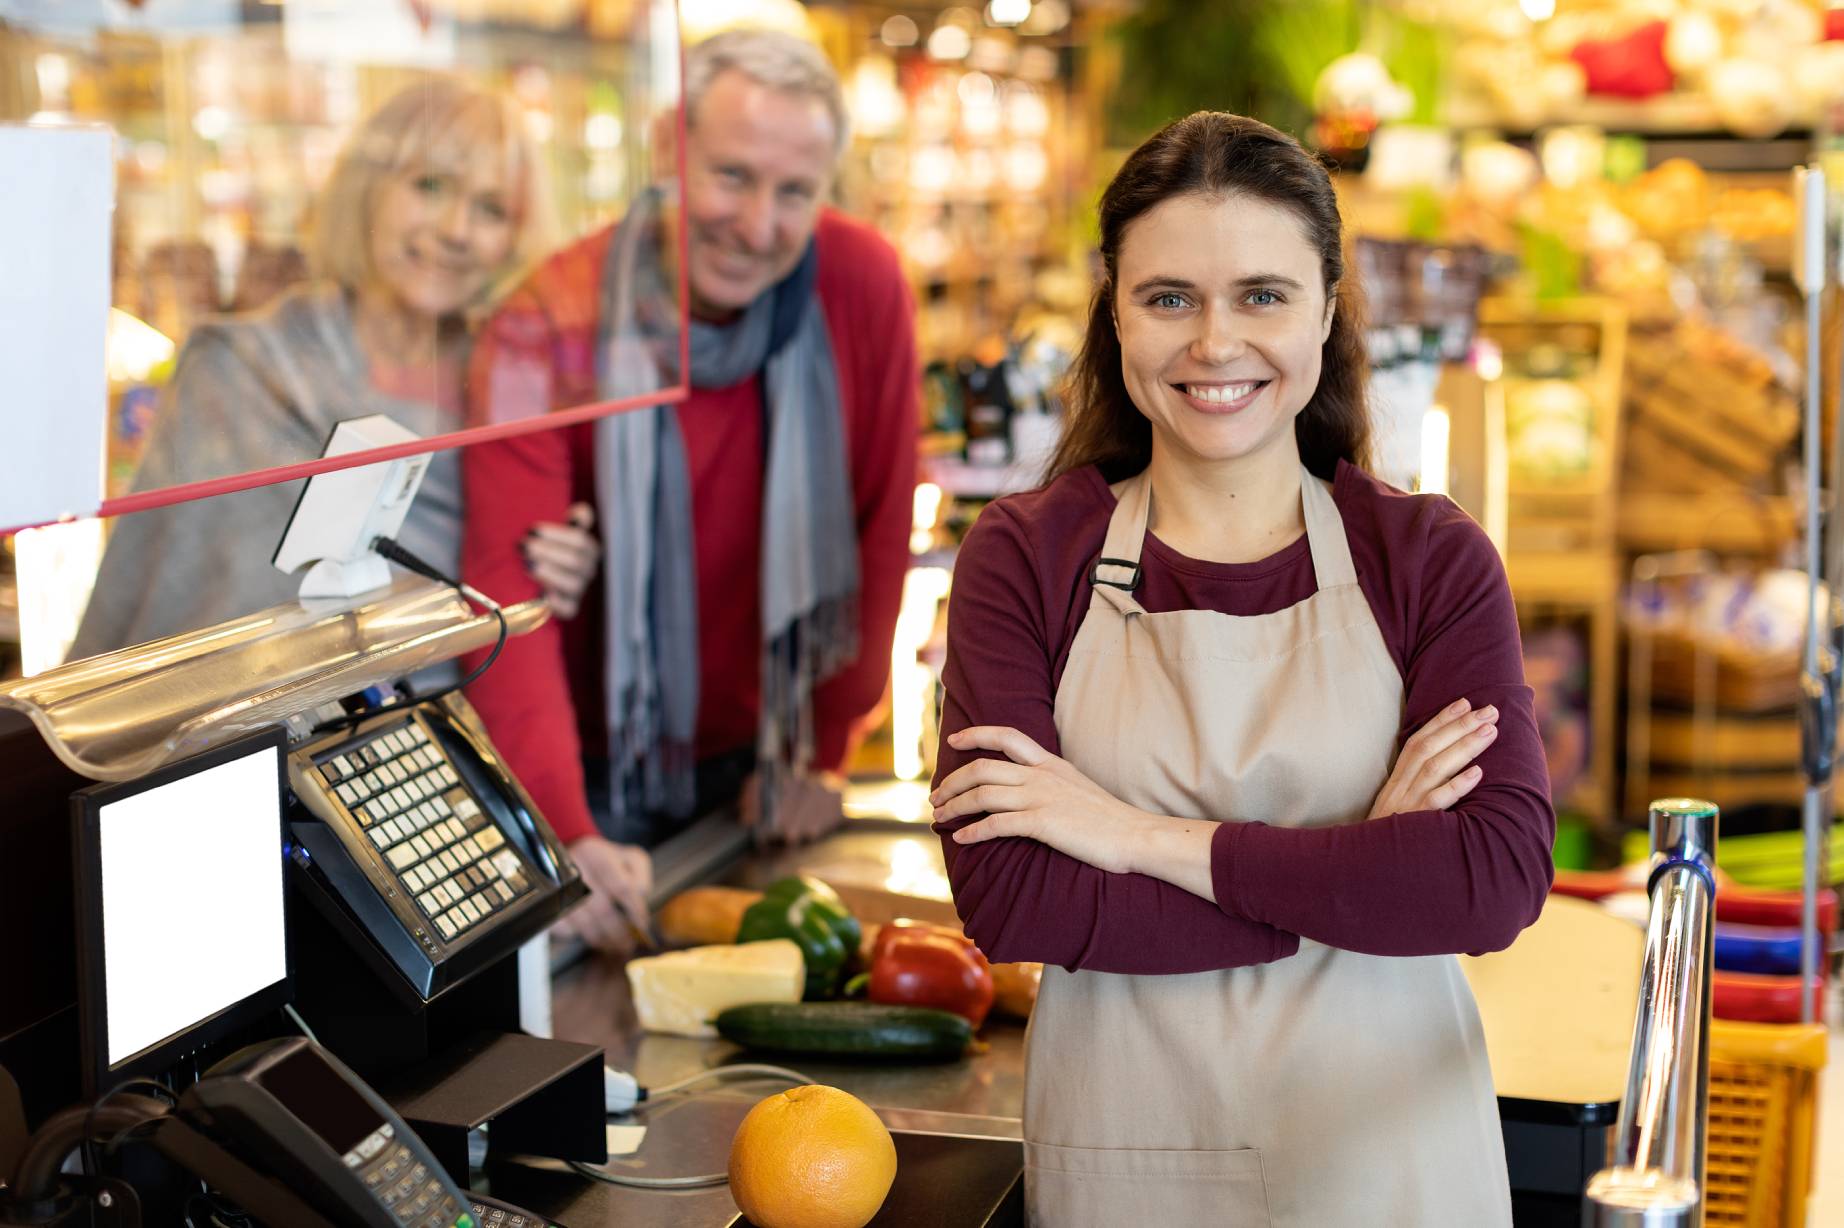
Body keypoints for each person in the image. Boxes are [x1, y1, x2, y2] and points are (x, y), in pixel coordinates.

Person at [927, 112, 1554, 1226]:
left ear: (1324, 304)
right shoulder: (1025, 556)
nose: (1214, 344)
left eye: (1260, 294)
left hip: (1394, 1168)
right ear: (1113, 307)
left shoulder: (1425, 557)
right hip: (1131, 1165)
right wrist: (1360, 862)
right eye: (1169, 297)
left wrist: (1128, 836)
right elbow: (1013, 897)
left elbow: (1489, 881)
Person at [461, 29, 919, 953]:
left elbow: (881, 522)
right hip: (581, 765)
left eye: (794, 192)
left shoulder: (862, 282)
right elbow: (507, 597)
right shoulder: (541, 317)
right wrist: (566, 823)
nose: (756, 226)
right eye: (731, 176)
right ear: (671, 143)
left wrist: (823, 748)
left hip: (766, 768)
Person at [73, 77, 599, 664]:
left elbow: (522, 633)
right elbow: (152, 606)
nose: (456, 229)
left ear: (515, 238)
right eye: (430, 185)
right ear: (369, 190)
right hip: (239, 738)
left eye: (491, 209)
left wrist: (560, 573)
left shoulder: (518, 400)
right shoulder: (240, 371)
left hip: (437, 732)